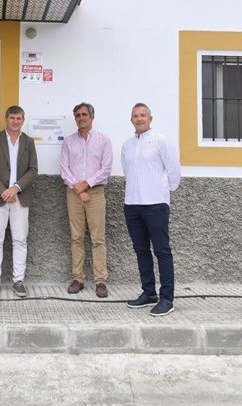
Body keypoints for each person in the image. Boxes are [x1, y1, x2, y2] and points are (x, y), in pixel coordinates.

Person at [122, 103, 181, 317]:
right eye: (135, 116)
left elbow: (174, 171)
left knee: (162, 251)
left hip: (156, 204)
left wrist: (163, 193)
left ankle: (167, 298)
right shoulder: (127, 145)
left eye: (143, 115)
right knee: (141, 251)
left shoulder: (161, 141)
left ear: (150, 118)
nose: (139, 119)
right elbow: (128, 170)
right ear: (131, 120)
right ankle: (149, 293)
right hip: (132, 205)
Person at [0, 105, 38, 298]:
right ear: (6, 119)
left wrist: (16, 188)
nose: (15, 121)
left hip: (20, 198)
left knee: (20, 240)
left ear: (23, 120)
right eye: (12, 118)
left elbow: (33, 170)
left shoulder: (29, 142)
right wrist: (3, 191)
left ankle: (18, 281)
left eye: (19, 118)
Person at [60, 102, 113, 298]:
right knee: (76, 237)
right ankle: (78, 279)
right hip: (73, 194)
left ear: (92, 117)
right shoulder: (68, 142)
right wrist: (78, 187)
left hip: (96, 193)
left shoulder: (103, 141)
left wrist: (87, 184)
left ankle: (100, 281)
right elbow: (64, 168)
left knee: (98, 238)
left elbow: (105, 168)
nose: (81, 118)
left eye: (84, 115)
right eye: (77, 115)